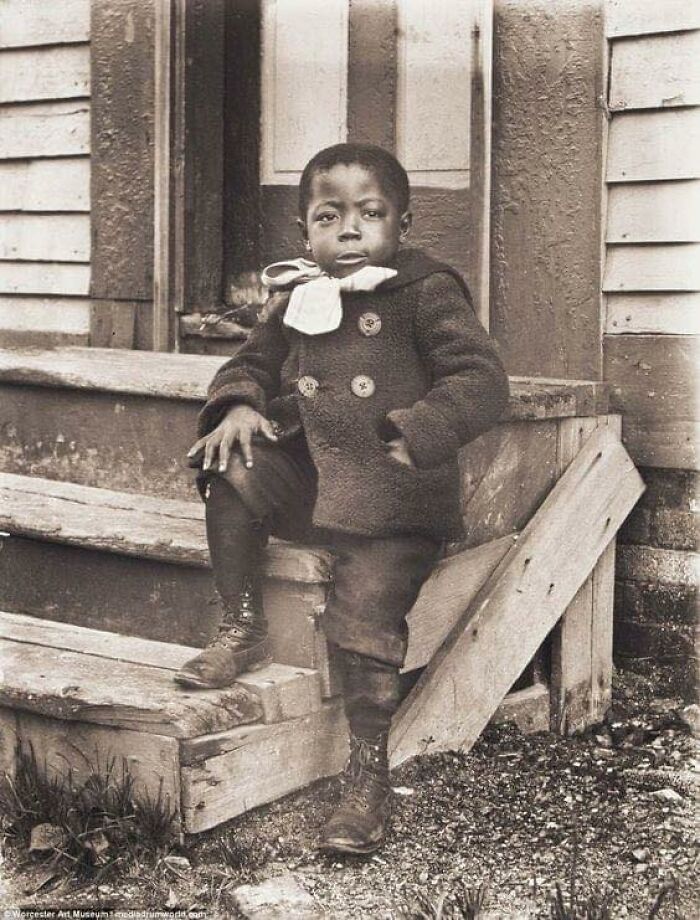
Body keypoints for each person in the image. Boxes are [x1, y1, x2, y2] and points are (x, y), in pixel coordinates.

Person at [175, 143, 510, 854]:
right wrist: (237, 404)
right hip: (320, 483)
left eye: (370, 214)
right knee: (230, 463)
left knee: (363, 613)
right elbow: (250, 363)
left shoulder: (425, 291)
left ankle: (367, 778)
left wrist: (422, 430)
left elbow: (481, 381)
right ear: (306, 233)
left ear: (403, 223)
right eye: (330, 217)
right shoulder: (301, 294)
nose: (349, 231)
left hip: (396, 496)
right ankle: (241, 625)